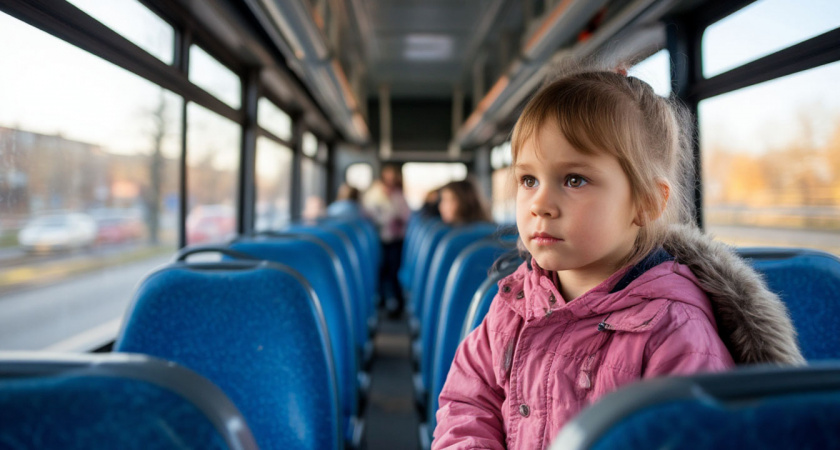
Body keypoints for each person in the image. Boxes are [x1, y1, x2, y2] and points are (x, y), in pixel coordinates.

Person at [433, 67, 803, 449]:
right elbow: (467, 405)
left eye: (574, 179)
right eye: (529, 180)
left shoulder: (674, 329)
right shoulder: (512, 305)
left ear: (646, 203)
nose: (539, 204)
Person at [363, 164, 411, 317]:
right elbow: (368, 213)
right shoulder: (374, 194)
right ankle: (382, 300)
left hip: (396, 238)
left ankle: (396, 303)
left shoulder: (399, 195)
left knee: (394, 270)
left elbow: (406, 215)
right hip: (378, 238)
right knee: (381, 270)